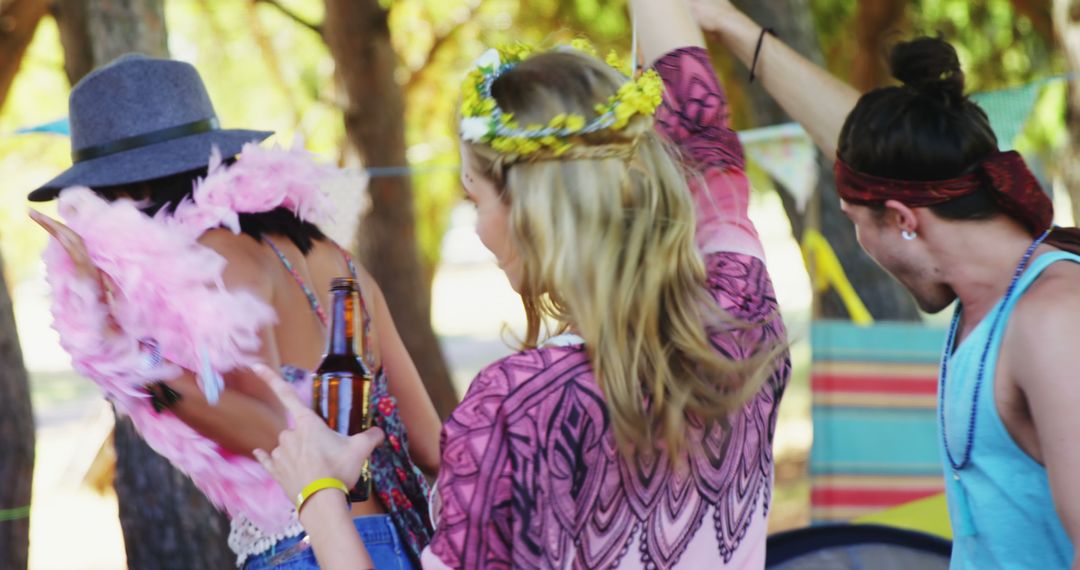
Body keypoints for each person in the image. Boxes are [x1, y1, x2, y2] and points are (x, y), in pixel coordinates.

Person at [252, 0, 790, 567]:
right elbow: (700, 123)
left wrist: (318, 492)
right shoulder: (744, 304)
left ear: (532, 215)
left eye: (473, 198)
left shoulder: (515, 407)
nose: (477, 223)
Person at [688, 1, 1080, 568]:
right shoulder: (994, 288)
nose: (864, 246)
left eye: (856, 222)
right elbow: (857, 151)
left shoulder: (1053, 320)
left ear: (901, 219)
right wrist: (729, 25)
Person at [29, 54, 441, 569]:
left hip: (305, 550)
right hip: (392, 542)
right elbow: (429, 445)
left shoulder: (214, 259)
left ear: (130, 191)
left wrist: (128, 358)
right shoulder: (333, 256)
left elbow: (278, 434)